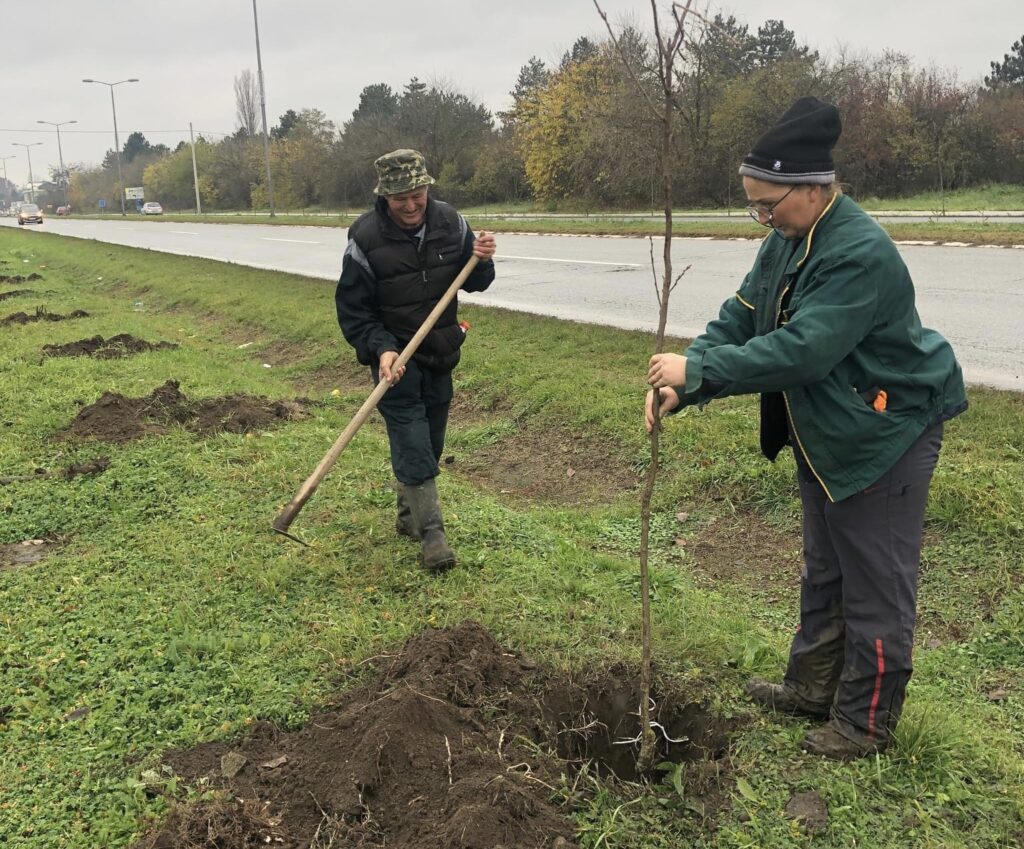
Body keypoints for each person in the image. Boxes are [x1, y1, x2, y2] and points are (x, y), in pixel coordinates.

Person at [645, 97, 967, 759]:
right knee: (825, 567)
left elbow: (802, 350)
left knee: (874, 576)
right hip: (829, 426)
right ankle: (812, 688)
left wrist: (702, 372)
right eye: (753, 205)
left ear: (814, 190)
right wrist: (686, 378)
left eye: (769, 204)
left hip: (886, 430)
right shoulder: (788, 239)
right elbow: (741, 315)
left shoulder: (858, 254)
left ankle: (865, 722)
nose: (761, 218)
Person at [336, 149, 496, 571]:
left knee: (432, 441)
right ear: (384, 196)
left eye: (416, 194)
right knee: (411, 438)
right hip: (395, 357)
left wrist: (482, 257)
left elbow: (477, 282)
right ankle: (433, 536)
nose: (410, 205)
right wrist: (381, 348)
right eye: (399, 197)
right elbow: (354, 310)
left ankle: (409, 517)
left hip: (441, 351)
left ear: (427, 187)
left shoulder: (450, 222)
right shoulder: (365, 238)